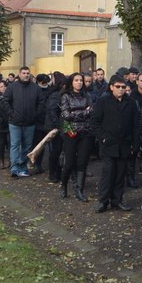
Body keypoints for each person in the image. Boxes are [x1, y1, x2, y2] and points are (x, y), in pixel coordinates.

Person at [91, 74, 140, 212]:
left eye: (123, 87)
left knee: (120, 174)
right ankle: (103, 201)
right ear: (111, 87)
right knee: (108, 173)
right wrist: (103, 138)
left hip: (125, 143)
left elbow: (136, 124)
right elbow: (95, 122)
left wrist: (135, 143)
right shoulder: (103, 101)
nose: (120, 89)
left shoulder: (131, 103)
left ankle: (117, 200)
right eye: (117, 87)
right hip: (109, 144)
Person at [60, 72, 94, 200]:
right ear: (72, 82)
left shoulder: (87, 95)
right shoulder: (66, 96)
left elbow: (91, 111)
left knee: (82, 162)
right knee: (69, 163)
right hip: (71, 132)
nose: (79, 82)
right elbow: (66, 115)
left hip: (85, 132)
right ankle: (64, 185)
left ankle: (79, 190)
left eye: (81, 80)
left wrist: (78, 112)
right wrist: (84, 112)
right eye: (76, 80)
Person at [5, 66, 42, 177]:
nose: (26, 75)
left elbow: (41, 102)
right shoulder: (12, 87)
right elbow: (5, 101)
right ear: (19, 74)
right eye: (24, 73)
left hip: (30, 122)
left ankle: (23, 167)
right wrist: (11, 113)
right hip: (15, 122)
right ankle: (15, 168)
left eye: (27, 73)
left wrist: (35, 114)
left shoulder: (35, 88)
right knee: (15, 145)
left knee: (27, 146)